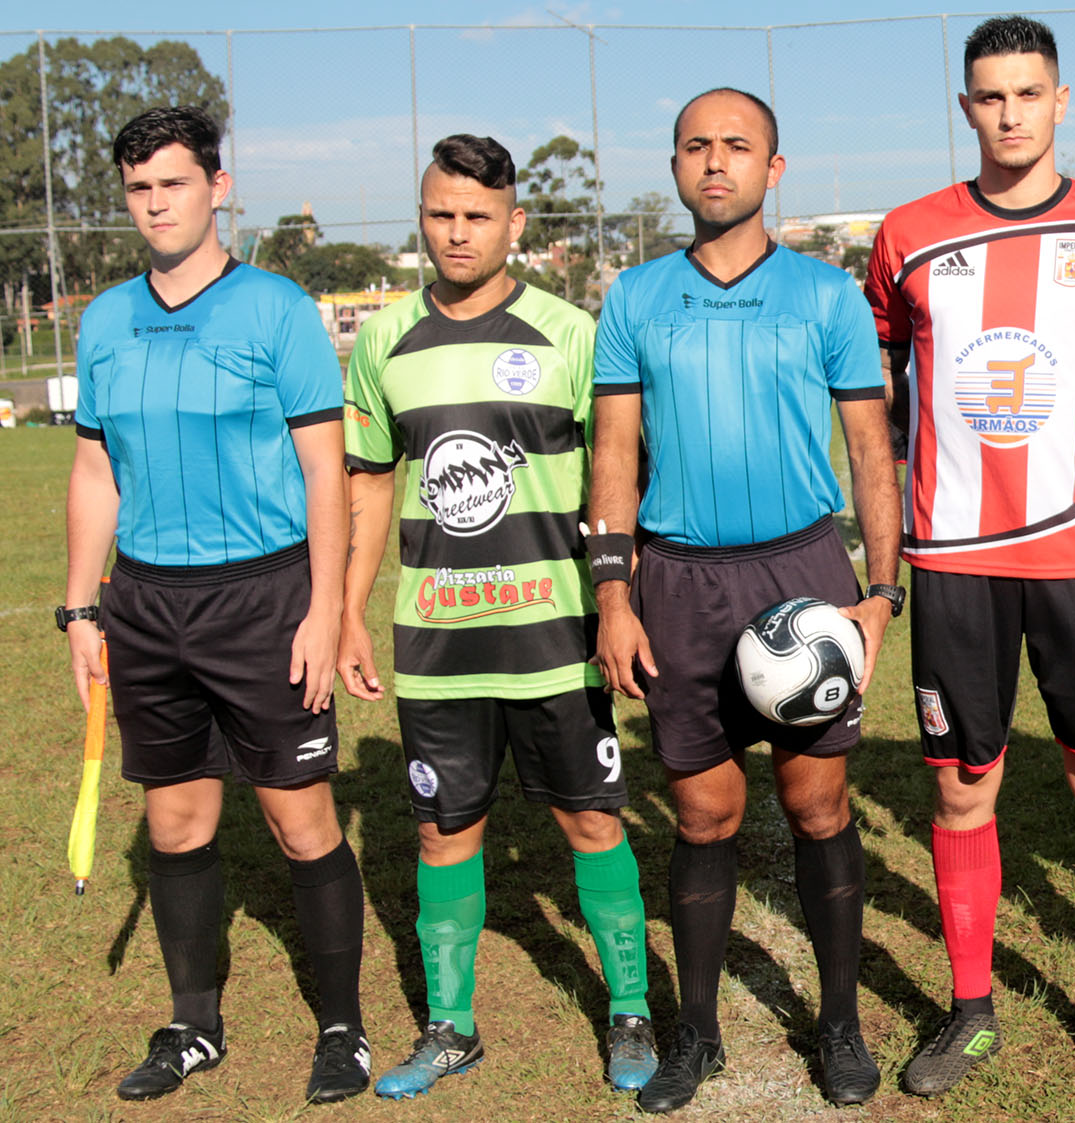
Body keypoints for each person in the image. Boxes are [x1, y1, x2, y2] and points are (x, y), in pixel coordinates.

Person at [864, 14, 1075, 1097]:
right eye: (990, 95)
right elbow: (873, 388)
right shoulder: (907, 235)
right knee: (962, 788)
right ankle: (971, 1008)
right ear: (966, 106)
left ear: (1060, 102)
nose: (1009, 114)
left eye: (1028, 93)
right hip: (955, 562)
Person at [588, 87, 902, 1111]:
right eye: (696, 146)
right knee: (703, 811)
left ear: (774, 169)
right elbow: (614, 452)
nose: (715, 162)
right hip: (677, 580)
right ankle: (698, 1033)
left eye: (737, 146)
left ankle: (841, 1022)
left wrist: (880, 593)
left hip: (800, 577)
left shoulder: (825, 294)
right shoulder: (635, 298)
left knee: (817, 804)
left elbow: (870, 450)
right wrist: (614, 593)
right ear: (675, 166)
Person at [63, 105, 370, 1104]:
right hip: (147, 603)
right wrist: (80, 610)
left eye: (174, 184)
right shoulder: (105, 319)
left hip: (264, 598)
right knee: (176, 821)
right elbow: (95, 470)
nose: (156, 204)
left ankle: (343, 1028)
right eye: (139, 189)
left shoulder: (276, 309)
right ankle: (194, 1025)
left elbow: (325, 471)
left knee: (300, 821)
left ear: (217, 187)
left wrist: (323, 609)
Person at [337, 134, 654, 1099]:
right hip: (438, 641)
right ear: (421, 219)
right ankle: (452, 1028)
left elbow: (616, 474)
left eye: (478, 215)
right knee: (443, 832)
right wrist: (349, 612)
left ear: (515, 223)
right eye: (442, 214)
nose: (458, 232)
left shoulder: (570, 332)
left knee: (591, 820)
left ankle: (631, 1008)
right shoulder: (384, 340)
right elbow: (369, 485)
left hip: (553, 633)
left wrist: (617, 598)